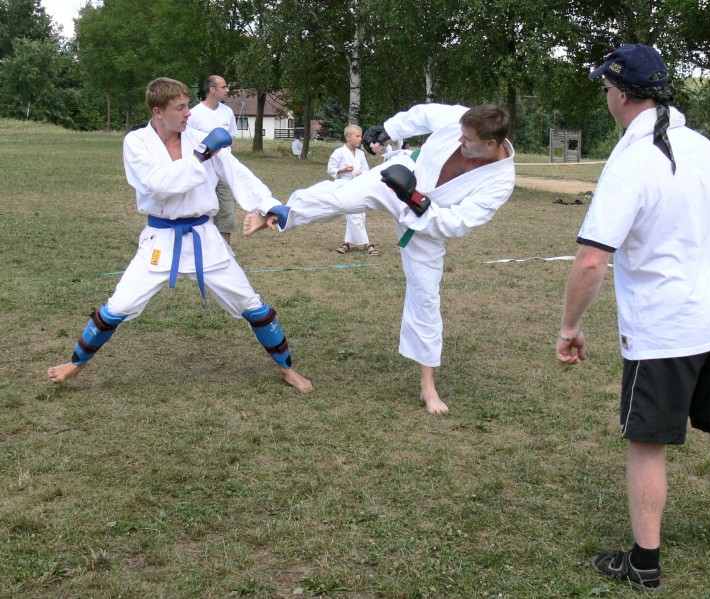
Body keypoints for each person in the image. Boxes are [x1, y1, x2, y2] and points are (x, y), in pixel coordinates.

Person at [556, 44, 710, 591]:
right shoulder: (706, 149)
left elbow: (592, 259)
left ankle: (645, 562)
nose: (605, 98)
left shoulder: (632, 162)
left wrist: (569, 327)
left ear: (623, 94)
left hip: (666, 329)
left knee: (647, 441)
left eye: (606, 89)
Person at [244, 103, 515, 414]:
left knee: (426, 295)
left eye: (467, 140)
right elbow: (423, 114)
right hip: (401, 176)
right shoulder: (460, 120)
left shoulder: (500, 181)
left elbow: (457, 223)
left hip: (428, 219)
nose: (460, 140)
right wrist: (390, 130)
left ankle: (428, 386)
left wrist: (414, 199)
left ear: (490, 144)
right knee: (342, 197)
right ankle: (279, 214)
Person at [47, 77, 312, 393]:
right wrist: (199, 157)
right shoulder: (137, 142)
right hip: (161, 240)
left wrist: (268, 206)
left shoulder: (200, 139)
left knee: (251, 303)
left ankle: (286, 368)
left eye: (188, 106)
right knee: (118, 306)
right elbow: (159, 184)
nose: (189, 113)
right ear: (158, 111)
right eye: (181, 108)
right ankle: (76, 363)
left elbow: (238, 174)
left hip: (204, 237)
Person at [187, 75, 239, 245]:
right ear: (212, 89)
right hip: (204, 169)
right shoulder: (194, 114)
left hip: (224, 169)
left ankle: (225, 251)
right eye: (223, 87)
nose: (227, 90)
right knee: (201, 209)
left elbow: (230, 139)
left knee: (226, 212)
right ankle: (201, 248)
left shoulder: (227, 112)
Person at [327, 124, 380, 256]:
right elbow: (330, 169)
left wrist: (361, 174)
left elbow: (366, 170)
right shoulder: (339, 152)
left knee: (359, 214)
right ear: (348, 137)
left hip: (358, 186)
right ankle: (367, 244)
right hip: (344, 186)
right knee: (354, 215)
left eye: (361, 136)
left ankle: (347, 243)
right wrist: (343, 170)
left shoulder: (360, 154)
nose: (360, 139)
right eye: (357, 136)